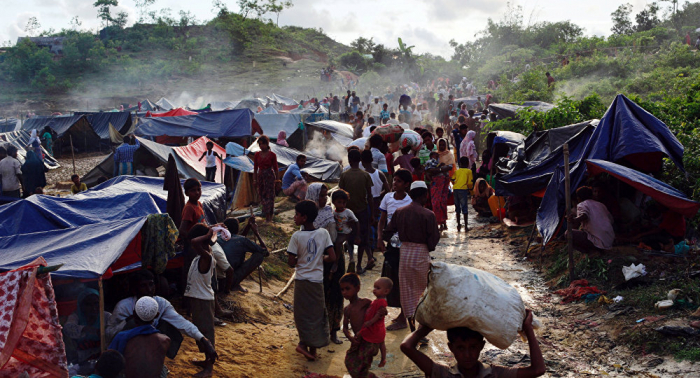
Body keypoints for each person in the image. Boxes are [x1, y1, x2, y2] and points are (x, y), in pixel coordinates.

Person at [106, 270, 217, 367]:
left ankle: (155, 361)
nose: (149, 289)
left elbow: (181, 323)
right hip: (127, 350)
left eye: (151, 284)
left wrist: (204, 340)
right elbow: (109, 332)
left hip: (149, 350)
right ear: (135, 289)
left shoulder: (161, 303)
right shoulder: (124, 306)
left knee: (168, 325)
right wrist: (127, 321)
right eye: (143, 286)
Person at [400, 310, 545, 378]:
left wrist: (528, 329)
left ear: (482, 346)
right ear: (451, 348)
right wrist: (426, 327)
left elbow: (538, 370)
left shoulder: (495, 374)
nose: (467, 354)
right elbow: (406, 347)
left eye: (473, 347)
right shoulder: (442, 373)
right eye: (461, 348)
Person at [383, 181, 439, 332]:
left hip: (405, 253)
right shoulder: (428, 214)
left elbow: (387, 232)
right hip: (421, 254)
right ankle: (422, 330)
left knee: (407, 292)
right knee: (421, 292)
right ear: (424, 195)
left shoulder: (400, 212)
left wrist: (398, 242)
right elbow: (433, 240)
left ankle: (412, 330)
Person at [287, 200, 336, 361]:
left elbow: (291, 262)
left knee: (302, 314)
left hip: (302, 281)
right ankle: (313, 348)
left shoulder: (297, 236)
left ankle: (303, 344)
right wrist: (320, 258)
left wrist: (301, 259)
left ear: (304, 217)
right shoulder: (323, 233)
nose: (294, 217)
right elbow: (333, 257)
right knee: (316, 314)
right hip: (317, 281)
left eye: (296, 215)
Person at [305, 183, 344, 344]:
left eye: (325, 195)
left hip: (333, 258)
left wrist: (334, 263)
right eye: (320, 195)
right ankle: (318, 330)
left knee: (335, 294)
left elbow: (338, 238)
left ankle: (334, 330)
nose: (324, 199)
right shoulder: (306, 216)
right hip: (316, 261)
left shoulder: (330, 214)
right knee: (317, 296)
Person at [184, 223, 218, 377]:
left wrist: (207, 234)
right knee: (201, 333)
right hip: (198, 299)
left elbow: (193, 242)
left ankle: (209, 369)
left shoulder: (207, 257)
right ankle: (206, 361)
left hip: (203, 301)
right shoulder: (201, 256)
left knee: (207, 334)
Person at [109, 296, 170, 378]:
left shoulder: (121, 337)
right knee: (163, 369)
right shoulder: (165, 340)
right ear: (157, 315)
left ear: (134, 314)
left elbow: (109, 363)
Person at [344, 276, 392, 378]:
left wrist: (372, 320)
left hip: (369, 338)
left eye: (347, 289)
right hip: (360, 337)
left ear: (357, 288)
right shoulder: (347, 309)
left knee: (362, 365)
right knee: (351, 360)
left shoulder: (366, 302)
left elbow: (382, 310)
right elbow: (344, 328)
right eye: (342, 289)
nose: (344, 292)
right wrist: (350, 338)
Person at [339, 149, 375, 275]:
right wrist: (373, 213)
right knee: (362, 238)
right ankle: (359, 265)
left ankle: (351, 259)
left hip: (348, 210)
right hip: (362, 210)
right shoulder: (365, 175)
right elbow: (369, 196)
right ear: (360, 160)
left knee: (349, 236)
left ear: (349, 160)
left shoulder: (344, 175)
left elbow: (340, 194)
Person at [217, 217, 268, 293]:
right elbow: (265, 252)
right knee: (259, 256)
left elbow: (239, 239)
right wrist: (256, 233)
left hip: (216, 279)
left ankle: (235, 283)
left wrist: (248, 226)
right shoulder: (241, 240)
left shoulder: (217, 237)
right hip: (228, 279)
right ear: (237, 228)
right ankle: (234, 284)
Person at [64, 288, 113, 365]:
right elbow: (67, 329)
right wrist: (85, 329)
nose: (93, 308)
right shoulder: (76, 316)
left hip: (102, 356)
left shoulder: (106, 316)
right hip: (80, 358)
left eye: (96, 303)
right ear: (81, 306)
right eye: (88, 304)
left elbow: (113, 331)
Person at [567, 186, 614, 254]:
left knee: (568, 233)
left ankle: (591, 252)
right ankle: (599, 249)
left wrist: (574, 220)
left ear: (578, 198)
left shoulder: (582, 204)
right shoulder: (601, 204)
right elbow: (611, 220)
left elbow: (584, 215)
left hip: (598, 241)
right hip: (609, 241)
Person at [253, 136, 279, 222]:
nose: (261, 146)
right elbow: (255, 168)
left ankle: (269, 216)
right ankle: (266, 213)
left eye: (262, 144)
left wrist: (277, 180)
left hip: (269, 177)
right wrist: (255, 180)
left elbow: (276, 168)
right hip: (260, 177)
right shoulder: (257, 155)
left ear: (267, 144)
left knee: (270, 196)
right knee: (262, 195)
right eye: (259, 144)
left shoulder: (272, 155)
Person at [332, 189, 359, 271]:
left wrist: (357, 235)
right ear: (333, 202)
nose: (342, 205)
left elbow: (356, 221)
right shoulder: (333, 212)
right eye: (339, 202)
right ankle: (350, 258)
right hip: (338, 232)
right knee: (343, 244)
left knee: (338, 243)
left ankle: (335, 263)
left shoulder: (348, 212)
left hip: (346, 232)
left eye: (344, 203)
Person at [425, 150, 452, 231]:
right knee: (439, 202)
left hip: (440, 182)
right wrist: (441, 169)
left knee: (438, 202)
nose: (436, 157)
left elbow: (430, 172)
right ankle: (442, 223)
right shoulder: (432, 162)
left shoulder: (441, 162)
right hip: (439, 182)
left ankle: (441, 223)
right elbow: (430, 171)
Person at [452, 156, 474, 232]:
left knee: (457, 208)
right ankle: (466, 226)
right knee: (464, 208)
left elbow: (452, 179)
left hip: (455, 189)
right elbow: (470, 183)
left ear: (459, 163)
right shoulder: (469, 171)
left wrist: (455, 184)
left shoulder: (456, 171)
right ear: (468, 163)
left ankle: (458, 225)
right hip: (463, 190)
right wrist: (471, 192)